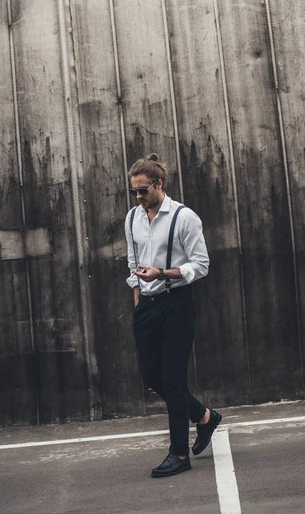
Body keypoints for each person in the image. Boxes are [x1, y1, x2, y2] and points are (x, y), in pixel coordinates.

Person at [125, 153, 222, 478]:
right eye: (134, 191)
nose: (139, 197)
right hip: (147, 306)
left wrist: (164, 274)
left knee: (174, 380)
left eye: (143, 190)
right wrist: (138, 297)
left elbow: (201, 264)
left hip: (176, 304)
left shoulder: (184, 217)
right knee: (152, 376)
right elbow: (132, 261)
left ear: (159, 184)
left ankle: (179, 453)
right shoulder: (132, 218)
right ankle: (205, 417)